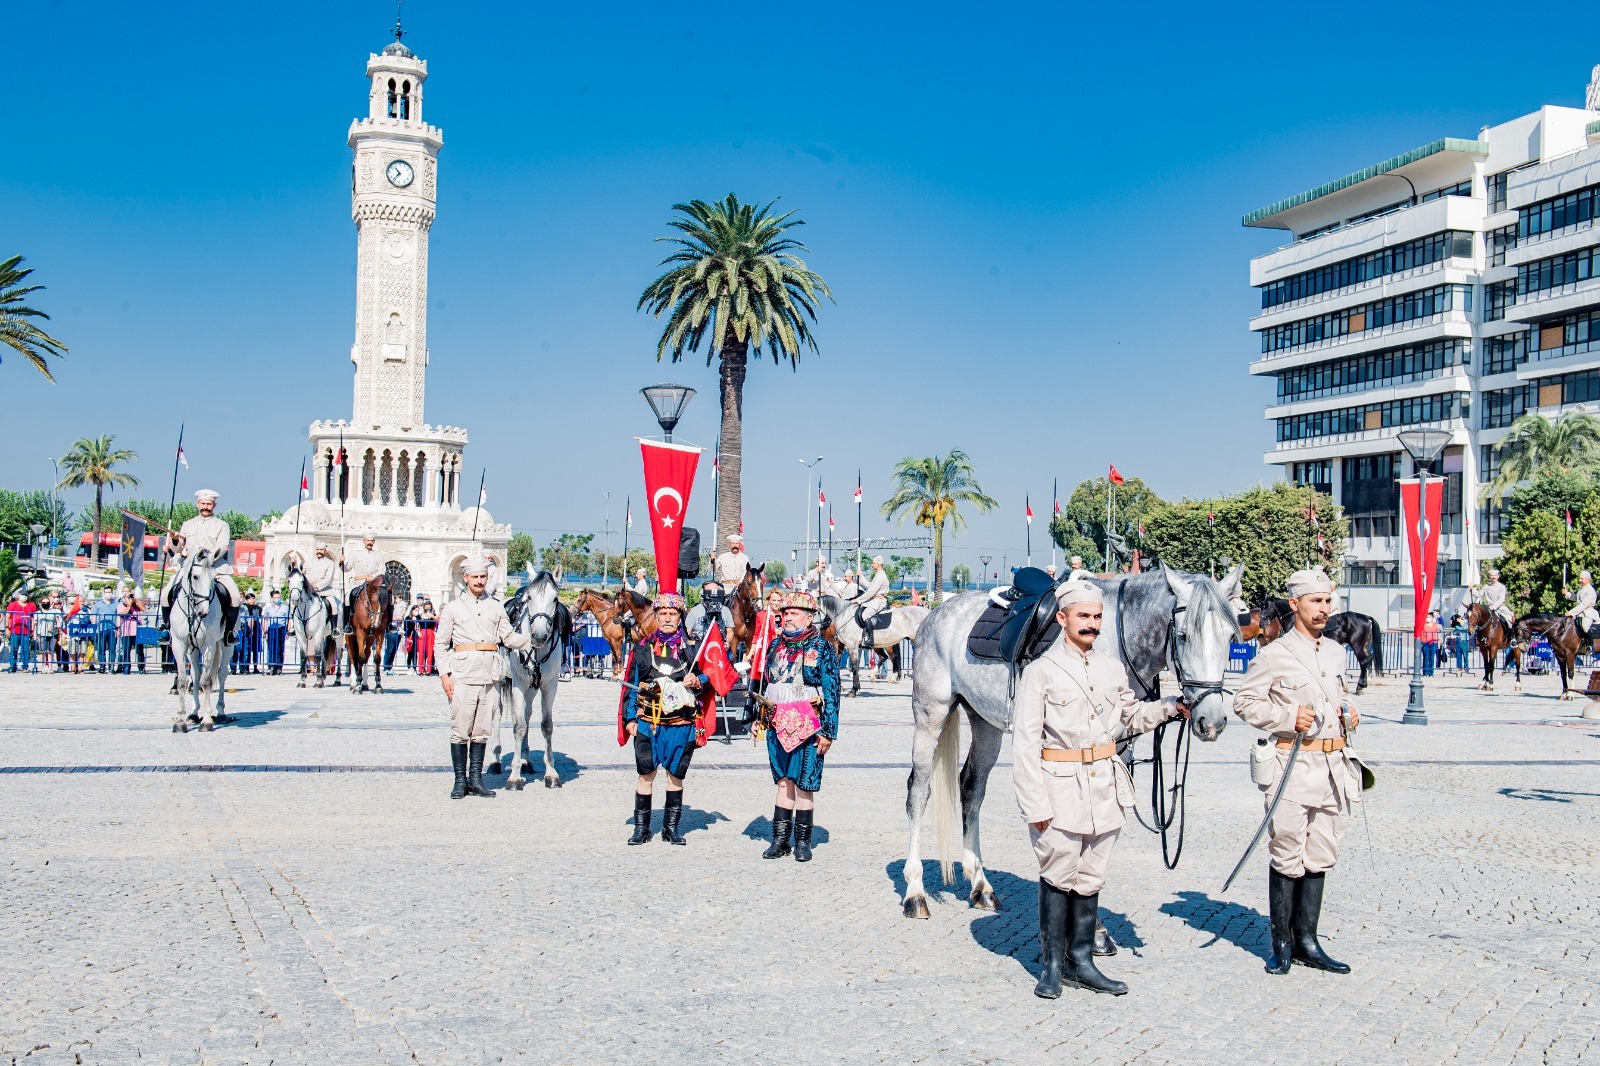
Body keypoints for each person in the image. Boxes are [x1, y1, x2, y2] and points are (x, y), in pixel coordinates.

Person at [1011, 577, 1186, 998]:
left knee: (1091, 876)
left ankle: (1083, 961)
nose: (1091, 623)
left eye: (1097, 617)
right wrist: (1035, 804)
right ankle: (1053, 965)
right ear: (1062, 618)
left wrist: (1168, 708)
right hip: (1058, 789)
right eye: (1083, 616)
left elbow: (1127, 717)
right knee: (1058, 872)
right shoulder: (1040, 672)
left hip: (1104, 787)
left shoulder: (1111, 668)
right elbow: (1024, 745)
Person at [1232, 567, 1362, 977]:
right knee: (1287, 852)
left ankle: (1308, 940)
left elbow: (1339, 696)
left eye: (1327, 601)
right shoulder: (1274, 655)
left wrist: (1351, 714)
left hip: (1333, 766)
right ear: (1296, 604)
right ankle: (1282, 943)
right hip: (1293, 763)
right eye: (1315, 601)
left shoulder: (1337, 651)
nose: (1324, 609)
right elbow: (1245, 702)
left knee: (1321, 853)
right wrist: (1288, 714)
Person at [436, 556, 531, 799]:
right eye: (475, 577)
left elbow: (508, 638)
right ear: (465, 578)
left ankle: (476, 779)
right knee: (460, 730)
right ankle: (460, 781)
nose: (479, 581)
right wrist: (445, 675)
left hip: (490, 675)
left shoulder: (496, 607)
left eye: (483, 577)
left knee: (481, 731)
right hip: (462, 675)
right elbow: (440, 645)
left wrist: (532, 641)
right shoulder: (453, 608)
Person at [757, 589, 840, 863]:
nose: (787, 617)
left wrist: (828, 732)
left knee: (804, 785)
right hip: (777, 724)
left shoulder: (822, 647)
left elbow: (833, 691)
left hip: (810, 727)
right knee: (783, 784)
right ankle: (780, 841)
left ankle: (803, 842)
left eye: (793, 613)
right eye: (784, 613)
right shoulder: (774, 645)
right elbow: (766, 682)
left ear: (808, 617)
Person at [619, 592, 707, 845]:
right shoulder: (642, 647)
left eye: (673, 614)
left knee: (675, 777)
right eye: (663, 614)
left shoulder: (692, 648)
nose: (668, 618)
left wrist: (697, 680)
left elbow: (708, 677)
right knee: (646, 775)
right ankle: (641, 829)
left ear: (680, 617)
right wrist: (629, 719)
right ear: (656, 616)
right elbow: (631, 685)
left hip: (681, 724)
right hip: (649, 723)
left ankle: (671, 829)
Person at [160, 489, 242, 643]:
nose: (205, 506)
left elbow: (223, 547)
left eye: (209, 504)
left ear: (214, 505)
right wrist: (175, 539)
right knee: (165, 594)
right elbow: (178, 549)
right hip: (190, 568)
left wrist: (208, 559)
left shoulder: (222, 525)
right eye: (203, 503)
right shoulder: (187, 524)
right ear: (198, 504)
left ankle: (229, 632)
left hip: (215, 568)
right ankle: (167, 628)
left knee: (235, 596)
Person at [341, 533, 386, 635]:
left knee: (388, 598)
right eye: (368, 540)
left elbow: (382, 570)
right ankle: (347, 624)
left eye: (371, 541)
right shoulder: (356, 553)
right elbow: (346, 568)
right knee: (347, 598)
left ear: (374, 542)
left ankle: (388, 623)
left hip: (374, 585)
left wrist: (373, 578)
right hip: (359, 583)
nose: (370, 543)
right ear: (364, 541)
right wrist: (342, 562)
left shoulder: (378, 555)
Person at [851, 556, 891, 648]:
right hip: (875, 599)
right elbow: (870, 586)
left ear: (878, 564)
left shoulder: (881, 576)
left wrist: (857, 600)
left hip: (879, 601)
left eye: (873, 563)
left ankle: (870, 639)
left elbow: (870, 592)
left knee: (865, 615)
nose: (871, 565)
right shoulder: (878, 574)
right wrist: (861, 576)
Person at [303, 544, 343, 630]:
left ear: (325, 551)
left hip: (325, 591)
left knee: (334, 606)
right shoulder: (308, 562)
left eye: (321, 550)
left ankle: (334, 628)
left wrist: (317, 585)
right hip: (310, 591)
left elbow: (329, 578)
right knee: (297, 603)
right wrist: (294, 565)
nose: (319, 551)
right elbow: (304, 574)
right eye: (317, 549)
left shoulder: (330, 563)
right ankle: (294, 627)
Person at [6, 591, 38, 674]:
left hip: (26, 631)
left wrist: (33, 630)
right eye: (22, 595)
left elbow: (34, 618)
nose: (24, 597)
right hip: (14, 630)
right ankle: (13, 665)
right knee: (14, 648)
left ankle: (25, 666)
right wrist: (7, 628)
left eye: (25, 595)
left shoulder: (32, 605)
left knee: (25, 649)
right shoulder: (12, 604)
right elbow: (8, 617)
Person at [90, 588, 117, 673]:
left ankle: (111, 666)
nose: (108, 594)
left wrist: (118, 628)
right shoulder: (98, 604)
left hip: (112, 629)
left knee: (112, 649)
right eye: (106, 592)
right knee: (101, 649)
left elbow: (119, 616)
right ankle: (102, 666)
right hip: (101, 628)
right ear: (103, 593)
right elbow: (94, 616)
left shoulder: (116, 604)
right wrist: (94, 626)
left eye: (110, 592)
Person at [263, 588, 289, 675]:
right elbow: (265, 620)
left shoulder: (285, 608)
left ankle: (279, 667)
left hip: (281, 628)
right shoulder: (268, 608)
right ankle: (271, 666)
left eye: (278, 597)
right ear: (272, 598)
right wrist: (265, 631)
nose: (277, 599)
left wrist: (287, 631)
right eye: (275, 597)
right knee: (271, 648)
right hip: (271, 628)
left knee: (280, 649)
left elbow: (288, 620)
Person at [1564, 570, 1598, 636]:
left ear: (1588, 579)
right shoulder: (1581, 588)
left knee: (1585, 627)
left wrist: (1571, 612)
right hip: (1580, 613)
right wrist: (1566, 593)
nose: (1580, 580)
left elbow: (1583, 605)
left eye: (1582, 579)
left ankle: (1591, 645)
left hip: (1588, 614)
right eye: (1580, 578)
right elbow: (1577, 597)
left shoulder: (1590, 590)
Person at [1420, 612, 1440, 677]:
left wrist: (1438, 643)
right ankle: (1425, 672)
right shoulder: (1423, 625)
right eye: (1427, 617)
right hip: (1425, 643)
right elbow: (1421, 634)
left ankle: (1431, 672)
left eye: (1429, 617)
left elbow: (1437, 634)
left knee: (1432, 658)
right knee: (1426, 657)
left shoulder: (1435, 625)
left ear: (1432, 618)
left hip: (1433, 643)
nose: (1428, 619)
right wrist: (1422, 641)